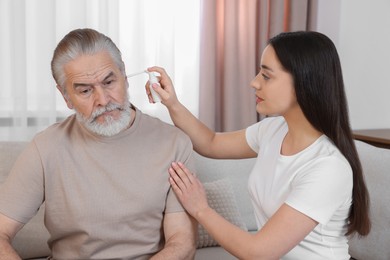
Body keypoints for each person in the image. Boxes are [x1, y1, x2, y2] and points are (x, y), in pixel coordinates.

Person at [147, 31, 371, 259]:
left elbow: (258, 252)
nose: (254, 82)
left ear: (303, 82)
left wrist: (200, 209)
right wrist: (171, 103)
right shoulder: (272, 130)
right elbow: (210, 143)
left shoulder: (328, 168)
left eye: (266, 75)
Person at [0, 28, 197, 260]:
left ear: (124, 76)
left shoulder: (174, 143)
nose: (103, 100)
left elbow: (182, 242)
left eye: (109, 82)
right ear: (65, 97)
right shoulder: (45, 148)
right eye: (85, 90)